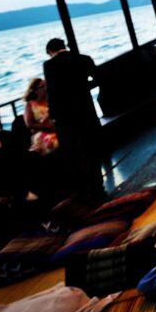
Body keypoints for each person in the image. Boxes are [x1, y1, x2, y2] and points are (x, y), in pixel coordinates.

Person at [43, 38, 103, 199]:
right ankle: (98, 187)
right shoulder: (83, 59)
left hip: (65, 117)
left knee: (74, 153)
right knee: (91, 150)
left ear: (51, 51)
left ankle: (85, 192)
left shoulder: (49, 66)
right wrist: (84, 88)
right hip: (86, 111)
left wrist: (53, 116)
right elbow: (98, 78)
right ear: (64, 47)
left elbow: (52, 94)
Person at [23, 78, 58, 155]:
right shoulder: (30, 104)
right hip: (42, 133)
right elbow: (29, 124)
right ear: (35, 90)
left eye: (46, 85)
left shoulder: (50, 100)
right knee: (55, 142)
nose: (45, 88)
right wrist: (46, 127)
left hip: (54, 130)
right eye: (42, 86)